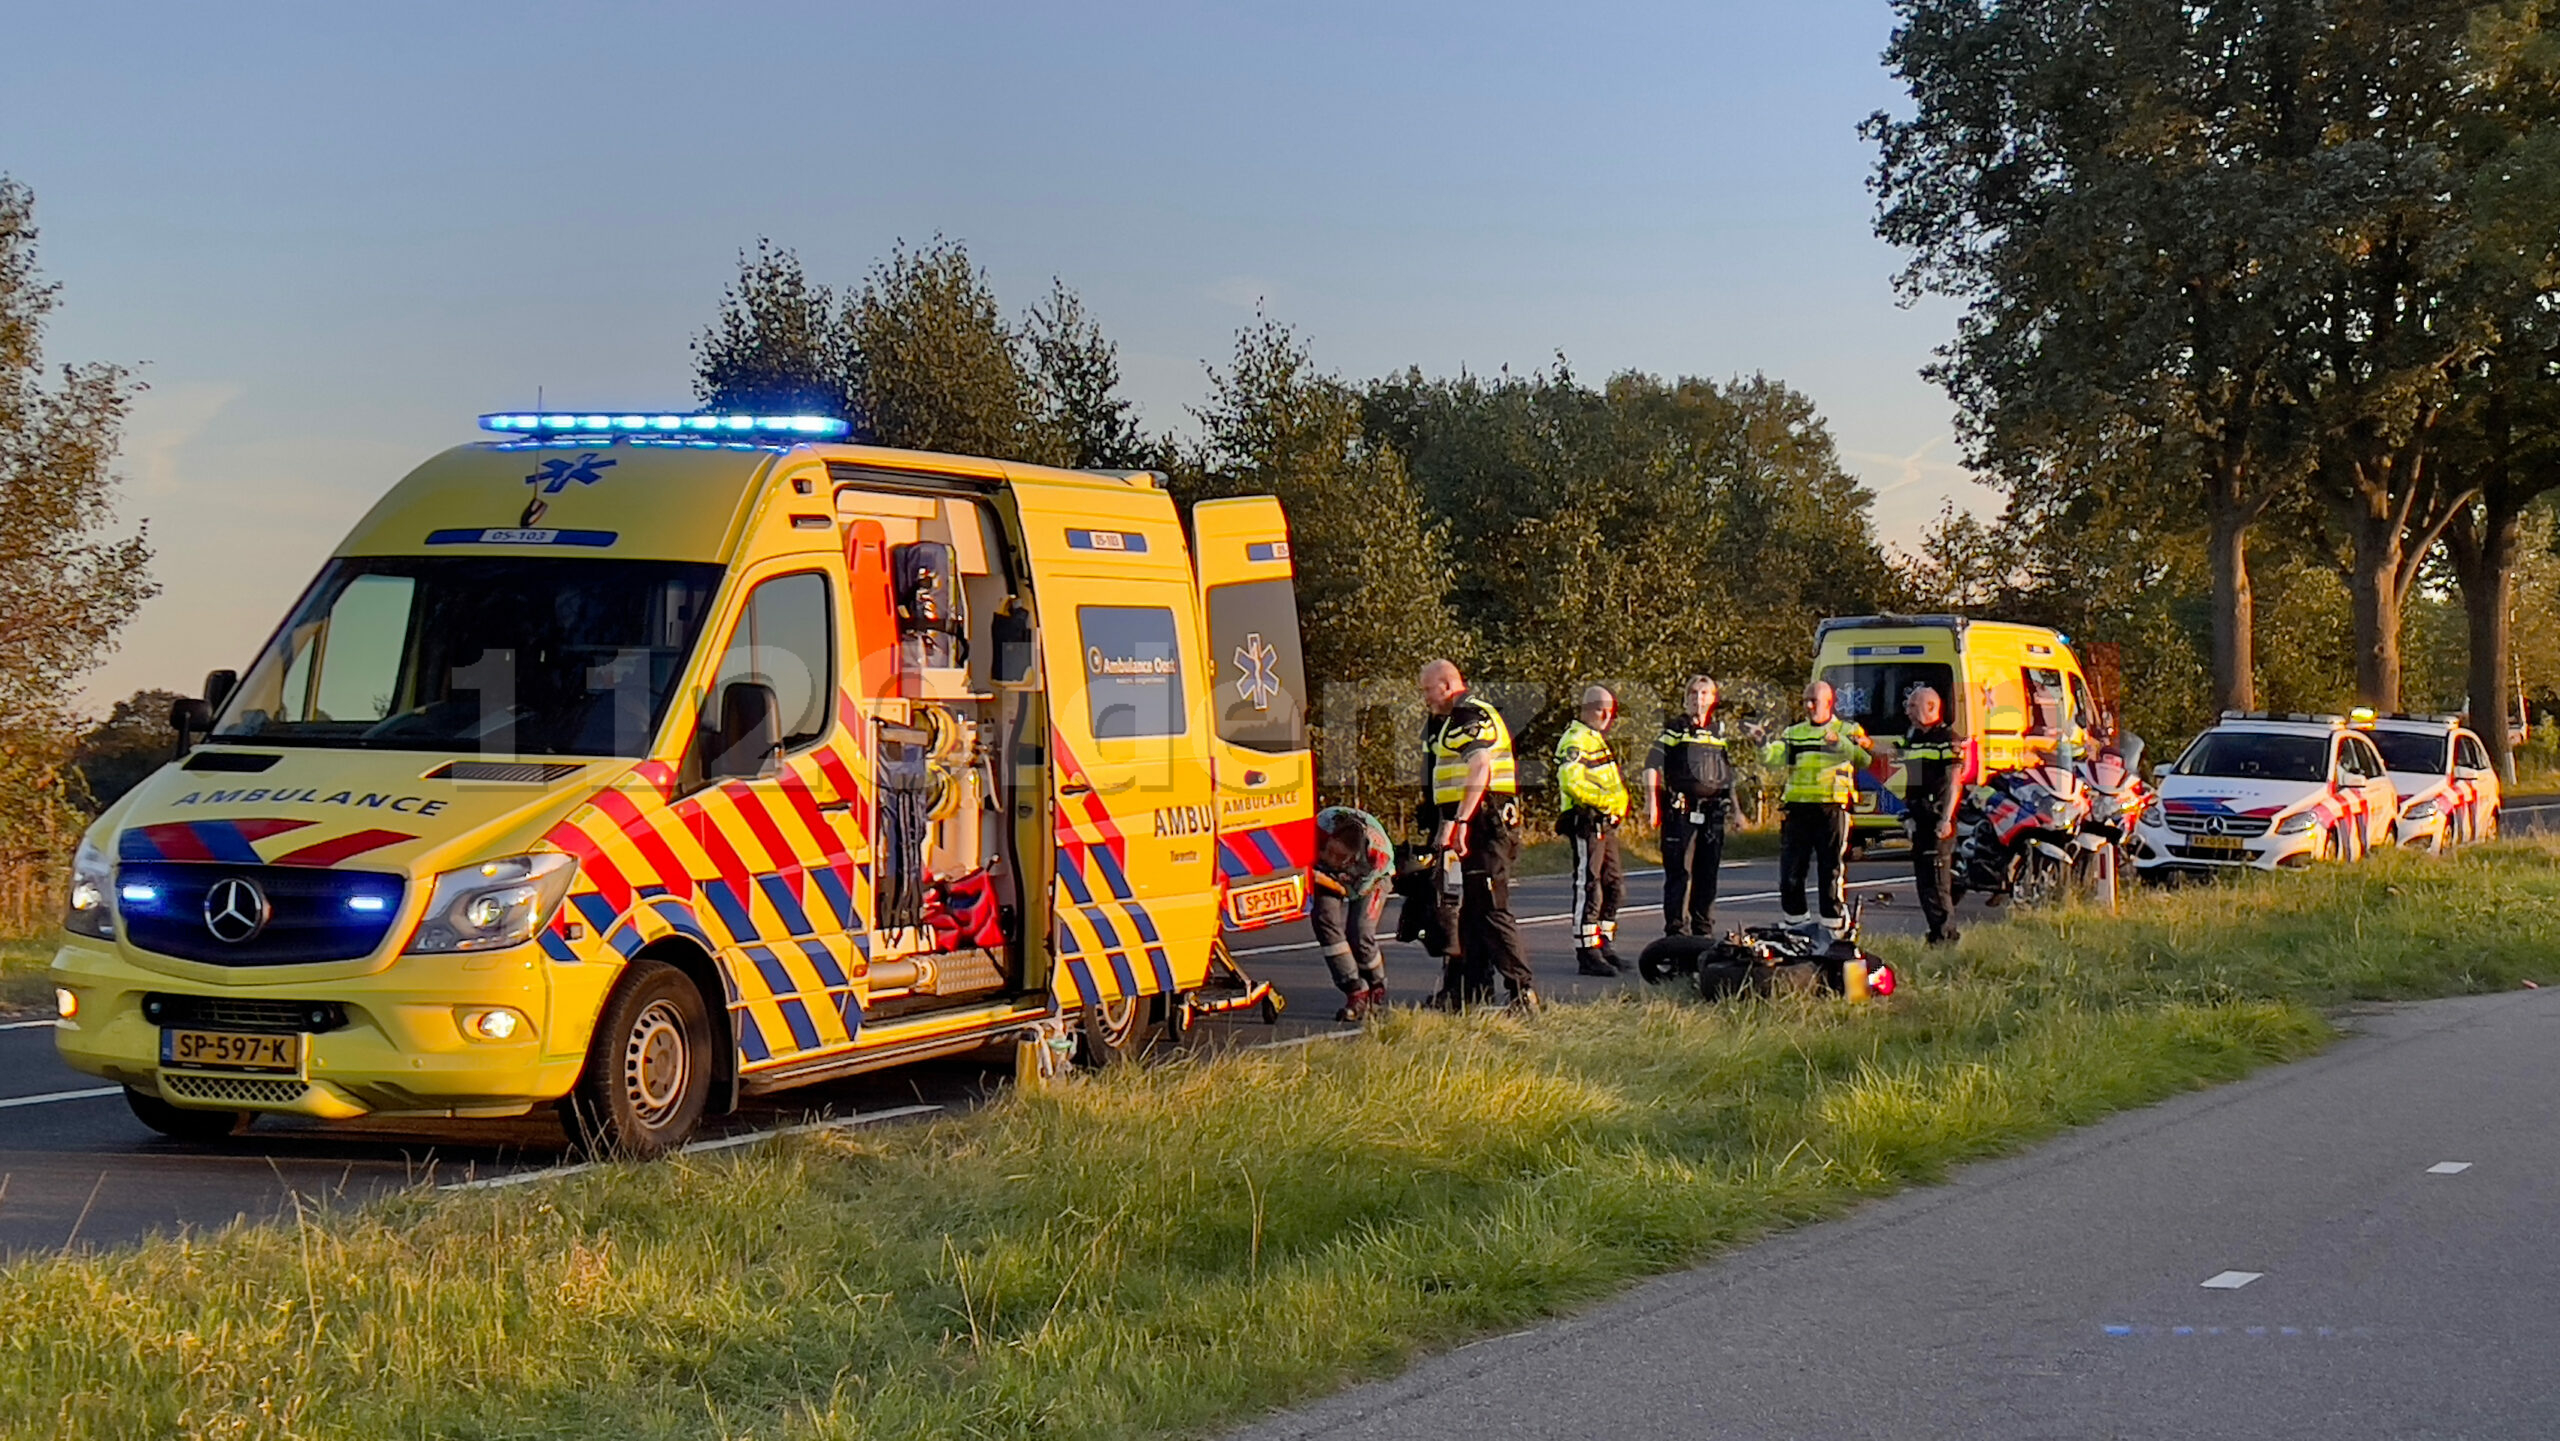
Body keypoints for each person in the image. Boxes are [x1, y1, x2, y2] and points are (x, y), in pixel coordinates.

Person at [1417, 658, 1538, 1013]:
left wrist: (1460, 821)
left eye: (1427, 689)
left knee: (1490, 910)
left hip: (1485, 825)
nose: (1425, 697)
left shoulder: (1469, 715)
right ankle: (1466, 990)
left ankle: (1522, 992)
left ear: (1446, 685)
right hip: (1470, 823)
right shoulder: (1449, 719)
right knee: (1461, 911)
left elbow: (1480, 765)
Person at [1763, 680, 1872, 937]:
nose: (1809, 706)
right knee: (1791, 873)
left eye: (1814, 700)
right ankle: (1796, 926)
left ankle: (1833, 928)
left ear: (1829, 702)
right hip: (1798, 809)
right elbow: (1773, 760)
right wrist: (1762, 743)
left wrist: (1839, 743)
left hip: (1831, 808)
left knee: (1830, 870)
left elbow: (1864, 759)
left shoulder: (1848, 729)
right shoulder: (1794, 733)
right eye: (1805, 700)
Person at [1644, 675, 1733, 938]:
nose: (1698, 698)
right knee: (1679, 872)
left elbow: (1728, 775)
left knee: (1707, 872)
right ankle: (1675, 933)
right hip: (1680, 810)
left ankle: (1702, 931)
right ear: (1686, 699)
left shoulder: (1718, 733)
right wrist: (1652, 803)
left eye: (1704, 693)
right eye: (1693, 694)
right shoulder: (1675, 729)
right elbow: (1651, 765)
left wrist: (1737, 810)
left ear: (1713, 698)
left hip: (1712, 811)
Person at [1555, 685, 1631, 976]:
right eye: (1602, 709)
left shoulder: (1597, 740)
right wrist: (1606, 803)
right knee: (1590, 887)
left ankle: (1603, 944)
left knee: (1614, 887)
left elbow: (1614, 785)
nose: (1608, 715)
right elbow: (1571, 782)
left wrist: (1618, 807)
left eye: (1611, 710)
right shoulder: (1575, 740)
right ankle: (1587, 953)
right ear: (1589, 709)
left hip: (1606, 823)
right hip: (1588, 822)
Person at [1310, 805, 1397, 1019]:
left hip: (1370, 880)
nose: (1332, 858)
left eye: (1339, 857)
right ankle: (1355, 990)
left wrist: (1321, 878)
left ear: (1353, 857)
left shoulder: (1377, 858)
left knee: (1360, 932)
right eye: (1330, 851)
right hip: (1324, 872)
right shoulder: (1320, 826)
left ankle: (1376, 985)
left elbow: (1354, 893)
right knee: (1324, 920)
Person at [1895, 685, 1965, 945]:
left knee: (1937, 882)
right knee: (1924, 883)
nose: (1908, 711)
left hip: (1937, 820)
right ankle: (1935, 934)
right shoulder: (1912, 737)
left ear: (1931, 708)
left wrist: (1946, 819)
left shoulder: (1947, 739)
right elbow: (1902, 771)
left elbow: (1954, 781)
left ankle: (1946, 937)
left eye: (1914, 706)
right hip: (1919, 818)